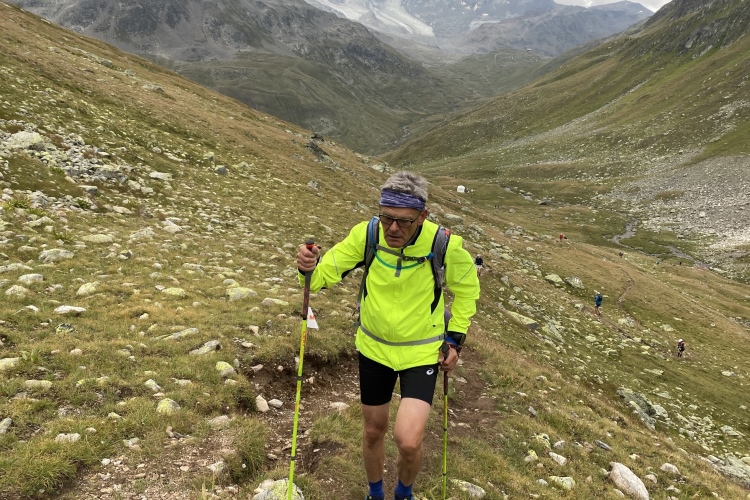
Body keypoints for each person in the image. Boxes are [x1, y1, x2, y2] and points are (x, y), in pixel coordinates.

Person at [296, 171, 480, 500]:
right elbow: (319, 279)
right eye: (386, 218)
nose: (393, 228)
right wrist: (306, 267)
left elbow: (468, 291)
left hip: (421, 352)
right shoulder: (367, 234)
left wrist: (455, 340)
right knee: (372, 430)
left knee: (408, 440)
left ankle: (404, 493)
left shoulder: (443, 244)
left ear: (422, 216)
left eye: (404, 221)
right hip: (373, 349)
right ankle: (375, 493)